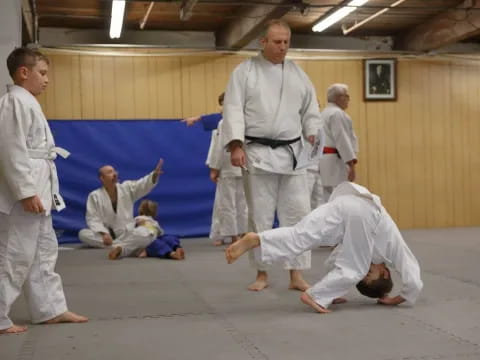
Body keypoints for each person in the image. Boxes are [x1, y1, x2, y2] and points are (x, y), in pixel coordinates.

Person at [222, 19, 321, 291]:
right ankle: (262, 273)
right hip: (257, 153)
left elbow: (311, 109)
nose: (283, 47)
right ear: (262, 42)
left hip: (293, 153)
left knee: (298, 214)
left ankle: (296, 274)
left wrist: (312, 132)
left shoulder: (298, 75)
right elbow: (232, 109)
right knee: (260, 216)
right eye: (277, 42)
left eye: (286, 42)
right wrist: (236, 145)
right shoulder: (245, 72)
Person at [226, 181, 423, 313]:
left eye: (365, 276)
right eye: (371, 273)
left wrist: (335, 291)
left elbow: (333, 263)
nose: (368, 269)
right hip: (366, 213)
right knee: (355, 267)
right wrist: (396, 299)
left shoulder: (361, 247)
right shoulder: (393, 247)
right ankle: (316, 297)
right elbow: (414, 281)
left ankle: (257, 239)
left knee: (300, 236)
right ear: (386, 273)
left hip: (344, 204)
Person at [0, 47, 88, 335]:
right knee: (14, 253)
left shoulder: (27, 103)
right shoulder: (14, 102)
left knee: (43, 251)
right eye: (42, 73)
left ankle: (49, 308)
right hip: (22, 193)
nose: (47, 80)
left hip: (39, 185)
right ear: (23, 73)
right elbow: (10, 150)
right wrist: (25, 192)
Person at [78, 160, 163, 248]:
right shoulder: (94, 196)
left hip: (128, 232)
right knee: (83, 234)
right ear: (102, 178)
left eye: (114, 171)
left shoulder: (126, 188)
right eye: (110, 172)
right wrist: (104, 234)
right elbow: (92, 218)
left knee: (149, 228)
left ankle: (117, 246)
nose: (114, 174)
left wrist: (154, 175)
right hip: (109, 235)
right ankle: (126, 245)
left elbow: (141, 185)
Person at [206, 93, 248, 246]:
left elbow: (219, 148)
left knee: (228, 203)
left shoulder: (224, 123)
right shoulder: (243, 120)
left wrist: (214, 168)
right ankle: (242, 232)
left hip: (228, 167)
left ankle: (234, 235)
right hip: (243, 166)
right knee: (242, 202)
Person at [318, 84, 358, 204]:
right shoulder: (337, 114)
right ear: (339, 97)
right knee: (338, 197)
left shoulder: (324, 113)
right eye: (347, 96)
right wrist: (351, 164)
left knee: (326, 198)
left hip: (324, 160)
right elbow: (342, 139)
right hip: (336, 162)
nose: (348, 99)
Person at [108, 199, 184, 260]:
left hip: (136, 233)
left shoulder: (137, 219)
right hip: (149, 236)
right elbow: (161, 234)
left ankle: (121, 250)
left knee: (128, 248)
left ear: (140, 210)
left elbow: (128, 229)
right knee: (164, 240)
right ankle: (175, 250)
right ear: (154, 213)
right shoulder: (154, 222)